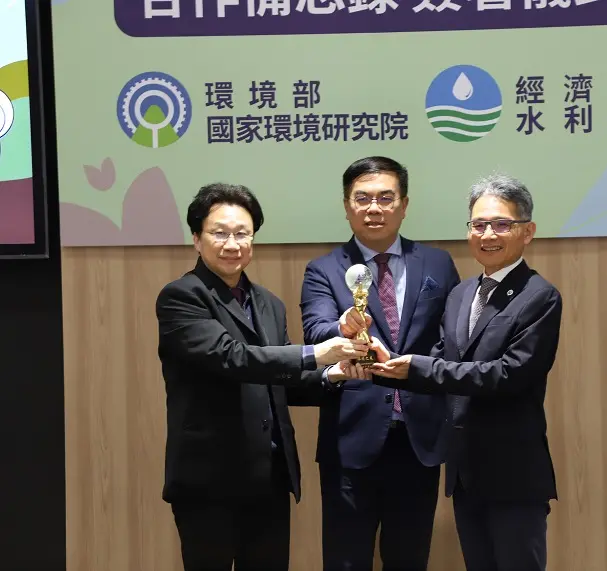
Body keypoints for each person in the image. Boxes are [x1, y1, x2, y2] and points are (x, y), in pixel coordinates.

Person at [155, 183, 369, 571]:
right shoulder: (182, 297)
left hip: (269, 478)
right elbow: (231, 357)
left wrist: (334, 374)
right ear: (197, 239)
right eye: (220, 233)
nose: (232, 244)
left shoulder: (269, 303)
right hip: (209, 482)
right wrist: (316, 353)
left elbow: (280, 380)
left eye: (242, 233)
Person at [370, 173, 562, 571]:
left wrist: (418, 366)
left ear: (527, 232)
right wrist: (385, 362)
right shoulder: (461, 294)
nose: (487, 234)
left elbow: (508, 375)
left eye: (501, 224)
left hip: (513, 474)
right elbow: (443, 358)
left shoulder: (539, 296)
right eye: (479, 224)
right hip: (465, 472)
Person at [299, 156, 460, 571]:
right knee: (346, 560)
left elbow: (452, 338)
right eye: (363, 198)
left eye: (386, 198)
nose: (374, 208)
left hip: (419, 438)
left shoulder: (438, 264)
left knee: (409, 559)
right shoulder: (323, 269)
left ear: (404, 205)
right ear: (346, 206)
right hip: (351, 438)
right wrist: (342, 326)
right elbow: (316, 329)